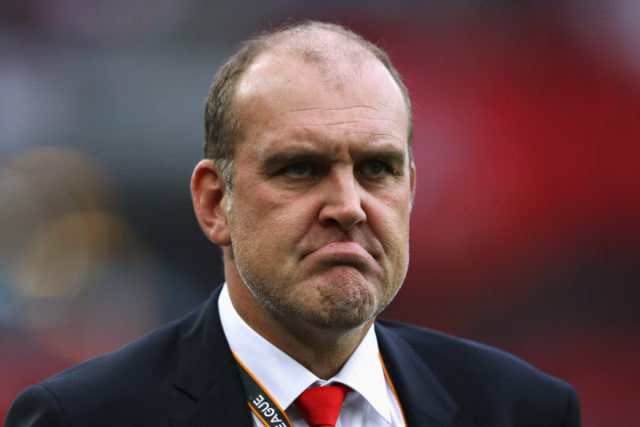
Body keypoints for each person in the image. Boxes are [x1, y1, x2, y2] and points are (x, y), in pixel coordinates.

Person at [5, 21, 580, 427]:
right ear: (214, 203)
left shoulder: (520, 409)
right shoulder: (84, 418)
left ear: (411, 191)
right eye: (301, 169)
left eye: (377, 168)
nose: (349, 206)